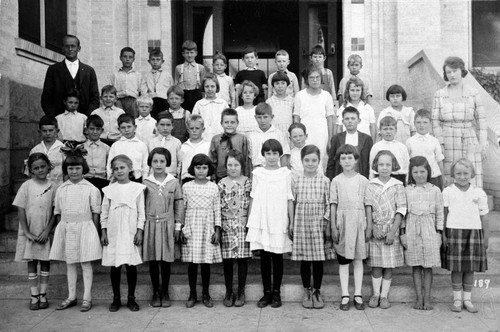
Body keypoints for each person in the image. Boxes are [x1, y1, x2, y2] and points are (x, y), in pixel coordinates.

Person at [49, 146, 102, 312]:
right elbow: (58, 212)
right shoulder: (61, 189)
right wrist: (60, 230)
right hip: (67, 229)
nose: (74, 172)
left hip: (86, 229)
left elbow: (96, 212)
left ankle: (87, 298)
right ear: (66, 169)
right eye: (70, 168)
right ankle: (71, 296)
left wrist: (94, 231)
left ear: (83, 169)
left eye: (77, 168)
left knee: (85, 263)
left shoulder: (91, 189)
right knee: (70, 263)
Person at [246, 139, 293, 308]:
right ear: (263, 155)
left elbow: (289, 198)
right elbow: (253, 196)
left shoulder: (286, 173)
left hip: (279, 217)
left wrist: (291, 221)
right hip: (263, 218)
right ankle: (266, 293)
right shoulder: (258, 173)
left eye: (275, 153)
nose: (272, 157)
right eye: (268, 153)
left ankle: (276, 293)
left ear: (280, 154)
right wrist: (250, 221)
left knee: (277, 256)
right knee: (265, 256)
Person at [441, 158, 489, 313]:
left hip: (474, 233)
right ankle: (457, 299)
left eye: (466, 173)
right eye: (458, 173)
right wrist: (444, 235)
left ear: (472, 174)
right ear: (453, 174)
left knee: (470, 269)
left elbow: (484, 217)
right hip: (454, 232)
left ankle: (467, 300)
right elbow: (444, 214)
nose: (462, 176)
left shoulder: (478, 192)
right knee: (457, 268)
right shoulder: (448, 191)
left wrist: (485, 238)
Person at [432, 56, 488, 188]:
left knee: (470, 172)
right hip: (448, 139)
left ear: (461, 71)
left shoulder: (473, 93)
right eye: (448, 72)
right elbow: (435, 121)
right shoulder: (440, 94)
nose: (452, 74)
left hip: (469, 138)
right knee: (451, 173)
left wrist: (483, 143)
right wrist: (440, 142)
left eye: (454, 71)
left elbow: (481, 120)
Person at [101, 155, 145, 312]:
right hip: (114, 231)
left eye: (122, 168)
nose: (119, 171)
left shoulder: (137, 188)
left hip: (130, 230)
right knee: (115, 265)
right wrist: (104, 231)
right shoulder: (109, 190)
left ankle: (131, 299)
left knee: (130, 264)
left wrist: (140, 231)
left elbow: (142, 212)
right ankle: (116, 298)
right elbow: (104, 212)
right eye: (116, 168)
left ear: (130, 168)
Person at [290, 145, 332, 309]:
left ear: (319, 161)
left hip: (318, 222)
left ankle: (317, 291)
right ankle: (307, 289)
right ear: (302, 161)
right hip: (302, 221)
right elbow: (292, 203)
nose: (310, 163)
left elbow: (328, 204)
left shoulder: (324, 180)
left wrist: (326, 223)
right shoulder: (297, 180)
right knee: (305, 260)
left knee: (318, 260)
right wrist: (292, 222)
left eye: (314, 160)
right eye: (307, 160)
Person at [330, 144, 371, 311]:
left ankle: (358, 294)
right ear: (339, 161)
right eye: (343, 158)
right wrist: (333, 226)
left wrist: (369, 225)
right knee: (344, 260)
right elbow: (333, 204)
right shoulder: (336, 181)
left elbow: (367, 204)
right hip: (343, 222)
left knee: (358, 259)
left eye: (350, 157)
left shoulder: (363, 181)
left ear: (356, 160)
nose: (347, 161)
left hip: (359, 221)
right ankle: (345, 294)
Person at [13, 153, 56, 310]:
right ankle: (34, 295)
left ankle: (43, 294)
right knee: (31, 262)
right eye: (36, 168)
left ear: (48, 166)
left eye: (43, 166)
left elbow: (54, 211)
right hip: (30, 230)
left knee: (45, 262)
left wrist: (47, 231)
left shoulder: (52, 186)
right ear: (30, 170)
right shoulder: (26, 186)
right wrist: (27, 232)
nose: (40, 170)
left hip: (44, 230)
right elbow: (20, 209)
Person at [142, 148, 184, 308]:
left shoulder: (173, 182)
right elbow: (141, 205)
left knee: (166, 259)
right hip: (151, 224)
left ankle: (165, 291)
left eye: (162, 161)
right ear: (150, 163)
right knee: (153, 259)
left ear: (167, 163)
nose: (158, 164)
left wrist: (178, 226)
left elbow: (179, 204)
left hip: (168, 225)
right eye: (155, 161)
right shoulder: (146, 182)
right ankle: (156, 292)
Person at [401, 156, 444, 310]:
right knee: (416, 266)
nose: (419, 175)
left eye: (422, 171)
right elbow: (402, 214)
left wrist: (439, 233)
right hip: (412, 228)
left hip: (429, 229)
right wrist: (403, 234)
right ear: (411, 173)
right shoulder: (406, 190)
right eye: (416, 172)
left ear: (428, 172)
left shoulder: (435, 190)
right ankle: (419, 299)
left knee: (428, 266)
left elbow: (440, 213)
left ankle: (427, 299)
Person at [365, 150, 406, 309]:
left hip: (391, 229)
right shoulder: (371, 184)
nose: (384, 167)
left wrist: (393, 231)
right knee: (376, 264)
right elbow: (367, 207)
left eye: (388, 164)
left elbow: (401, 209)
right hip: (376, 230)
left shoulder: (397, 185)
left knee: (388, 265)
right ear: (375, 166)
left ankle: (384, 296)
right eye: (381, 164)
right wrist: (372, 227)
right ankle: (375, 294)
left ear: (393, 166)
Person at [181, 154, 222, 308]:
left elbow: (217, 209)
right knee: (192, 263)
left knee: (205, 263)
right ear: (193, 168)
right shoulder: (186, 186)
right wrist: (182, 228)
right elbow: (182, 210)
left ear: (209, 169)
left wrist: (217, 230)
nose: (201, 171)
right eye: (198, 168)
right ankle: (192, 294)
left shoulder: (213, 186)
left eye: (204, 168)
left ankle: (206, 294)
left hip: (208, 226)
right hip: (191, 225)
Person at [218, 150, 252, 307]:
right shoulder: (221, 183)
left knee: (242, 259)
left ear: (242, 166)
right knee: (228, 260)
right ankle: (229, 291)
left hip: (242, 224)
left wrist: (249, 223)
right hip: (227, 224)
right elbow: (218, 205)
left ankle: (241, 291)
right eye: (229, 165)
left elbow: (250, 202)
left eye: (236, 165)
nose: (232, 168)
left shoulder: (247, 182)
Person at [41, 34, 99, 117]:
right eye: (67, 46)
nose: (70, 49)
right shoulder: (53, 70)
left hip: (83, 119)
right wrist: (54, 117)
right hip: (59, 119)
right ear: (63, 48)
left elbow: (95, 97)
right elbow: (46, 97)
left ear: (79, 49)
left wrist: (87, 117)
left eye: (73, 46)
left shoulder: (89, 71)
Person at [294, 65, 335, 169]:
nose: (315, 80)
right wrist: (297, 136)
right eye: (311, 78)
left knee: (321, 161)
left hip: (322, 134)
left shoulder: (326, 96)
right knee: (305, 159)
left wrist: (330, 139)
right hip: (305, 134)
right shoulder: (300, 95)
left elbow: (330, 118)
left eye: (317, 77)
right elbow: (296, 118)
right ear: (307, 79)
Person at [326, 107, 373, 180]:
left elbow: (369, 163)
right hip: (341, 179)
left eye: (353, 118)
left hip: (361, 179)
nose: (350, 121)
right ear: (342, 121)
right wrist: (331, 180)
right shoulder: (336, 139)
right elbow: (331, 163)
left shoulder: (367, 139)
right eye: (347, 119)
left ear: (359, 120)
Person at [406, 109, 445, 190]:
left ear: (430, 124)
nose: (421, 125)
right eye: (418, 122)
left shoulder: (434, 141)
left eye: (425, 122)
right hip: (417, 177)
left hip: (433, 177)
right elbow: (407, 162)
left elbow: (439, 161)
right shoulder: (410, 141)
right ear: (414, 124)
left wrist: (443, 180)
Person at [209, 108, 252, 181]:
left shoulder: (242, 139)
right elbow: (212, 160)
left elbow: (246, 160)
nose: (229, 125)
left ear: (237, 123)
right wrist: (213, 176)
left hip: (239, 176)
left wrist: (247, 177)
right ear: (221, 123)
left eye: (232, 122)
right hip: (221, 177)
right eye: (226, 122)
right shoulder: (216, 139)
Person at [106, 114, 149, 183]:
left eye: (129, 127)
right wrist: (111, 179)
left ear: (135, 127)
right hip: (118, 180)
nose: (126, 130)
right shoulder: (115, 146)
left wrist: (145, 181)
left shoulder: (142, 145)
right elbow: (109, 165)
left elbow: (145, 166)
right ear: (119, 129)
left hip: (136, 179)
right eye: (123, 127)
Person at [248, 103, 290, 168]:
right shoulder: (251, 135)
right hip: (257, 171)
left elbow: (284, 156)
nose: (262, 121)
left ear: (272, 117)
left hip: (276, 171)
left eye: (265, 117)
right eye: (259, 117)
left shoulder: (279, 134)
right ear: (255, 117)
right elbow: (250, 158)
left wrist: (282, 171)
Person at [369, 116, 410, 184]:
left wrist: (406, 182)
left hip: (399, 178)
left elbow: (407, 166)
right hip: (381, 179)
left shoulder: (402, 147)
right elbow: (372, 167)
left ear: (396, 130)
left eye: (391, 129)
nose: (388, 132)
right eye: (385, 129)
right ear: (380, 130)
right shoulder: (376, 147)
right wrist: (371, 181)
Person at [110, 47, 147, 118]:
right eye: (125, 56)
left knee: (134, 120)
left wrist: (140, 102)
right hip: (119, 101)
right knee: (119, 119)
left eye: (130, 57)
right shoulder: (115, 74)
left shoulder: (138, 75)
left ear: (133, 59)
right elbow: (111, 89)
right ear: (120, 58)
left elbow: (143, 91)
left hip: (133, 101)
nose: (127, 59)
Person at [336, 77, 376, 141]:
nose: (355, 93)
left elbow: (372, 127)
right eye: (352, 90)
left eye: (357, 90)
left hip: (365, 142)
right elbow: (339, 128)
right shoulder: (343, 108)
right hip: (348, 142)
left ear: (362, 91)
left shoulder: (368, 108)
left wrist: (372, 143)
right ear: (348, 91)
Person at [28, 116, 65, 187]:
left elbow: (67, 172)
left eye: (51, 130)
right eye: (44, 131)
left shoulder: (63, 149)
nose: (48, 133)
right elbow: (31, 173)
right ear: (40, 132)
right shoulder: (35, 150)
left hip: (58, 187)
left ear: (57, 131)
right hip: (39, 187)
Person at [192, 73, 229, 142]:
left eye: (212, 86)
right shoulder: (199, 104)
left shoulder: (223, 103)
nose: (209, 89)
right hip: (203, 138)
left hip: (220, 137)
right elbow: (194, 122)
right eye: (207, 86)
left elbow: (227, 121)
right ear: (203, 88)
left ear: (216, 87)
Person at [148, 112, 182, 178]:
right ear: (156, 125)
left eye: (168, 125)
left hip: (171, 176)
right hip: (154, 177)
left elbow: (180, 163)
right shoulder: (151, 142)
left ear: (173, 126)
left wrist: (177, 178)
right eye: (162, 125)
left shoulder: (177, 142)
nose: (165, 128)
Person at [175, 40, 206, 112]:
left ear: (196, 53)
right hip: (183, 96)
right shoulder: (179, 68)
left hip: (196, 95)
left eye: (191, 53)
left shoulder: (200, 68)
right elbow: (176, 84)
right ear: (183, 54)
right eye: (187, 53)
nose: (189, 55)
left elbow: (203, 87)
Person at [83, 115, 110, 194]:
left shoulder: (107, 148)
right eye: (92, 129)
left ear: (102, 130)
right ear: (86, 130)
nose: (95, 132)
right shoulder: (80, 148)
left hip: (102, 181)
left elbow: (108, 167)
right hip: (85, 181)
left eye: (98, 129)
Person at [180, 115, 210, 184]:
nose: (194, 131)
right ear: (187, 130)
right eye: (191, 128)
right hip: (187, 179)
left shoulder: (208, 145)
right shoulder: (183, 147)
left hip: (205, 180)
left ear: (203, 129)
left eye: (197, 128)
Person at [145, 48, 174, 119]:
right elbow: (144, 90)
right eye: (153, 59)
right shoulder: (146, 75)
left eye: (158, 59)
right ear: (149, 61)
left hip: (164, 101)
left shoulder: (167, 75)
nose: (155, 62)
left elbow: (171, 89)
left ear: (162, 61)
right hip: (152, 102)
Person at [266, 71, 294, 137]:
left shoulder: (292, 101)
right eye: (277, 83)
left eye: (283, 83)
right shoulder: (269, 102)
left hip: (288, 133)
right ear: (273, 86)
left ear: (287, 85)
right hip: (274, 133)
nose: (280, 86)